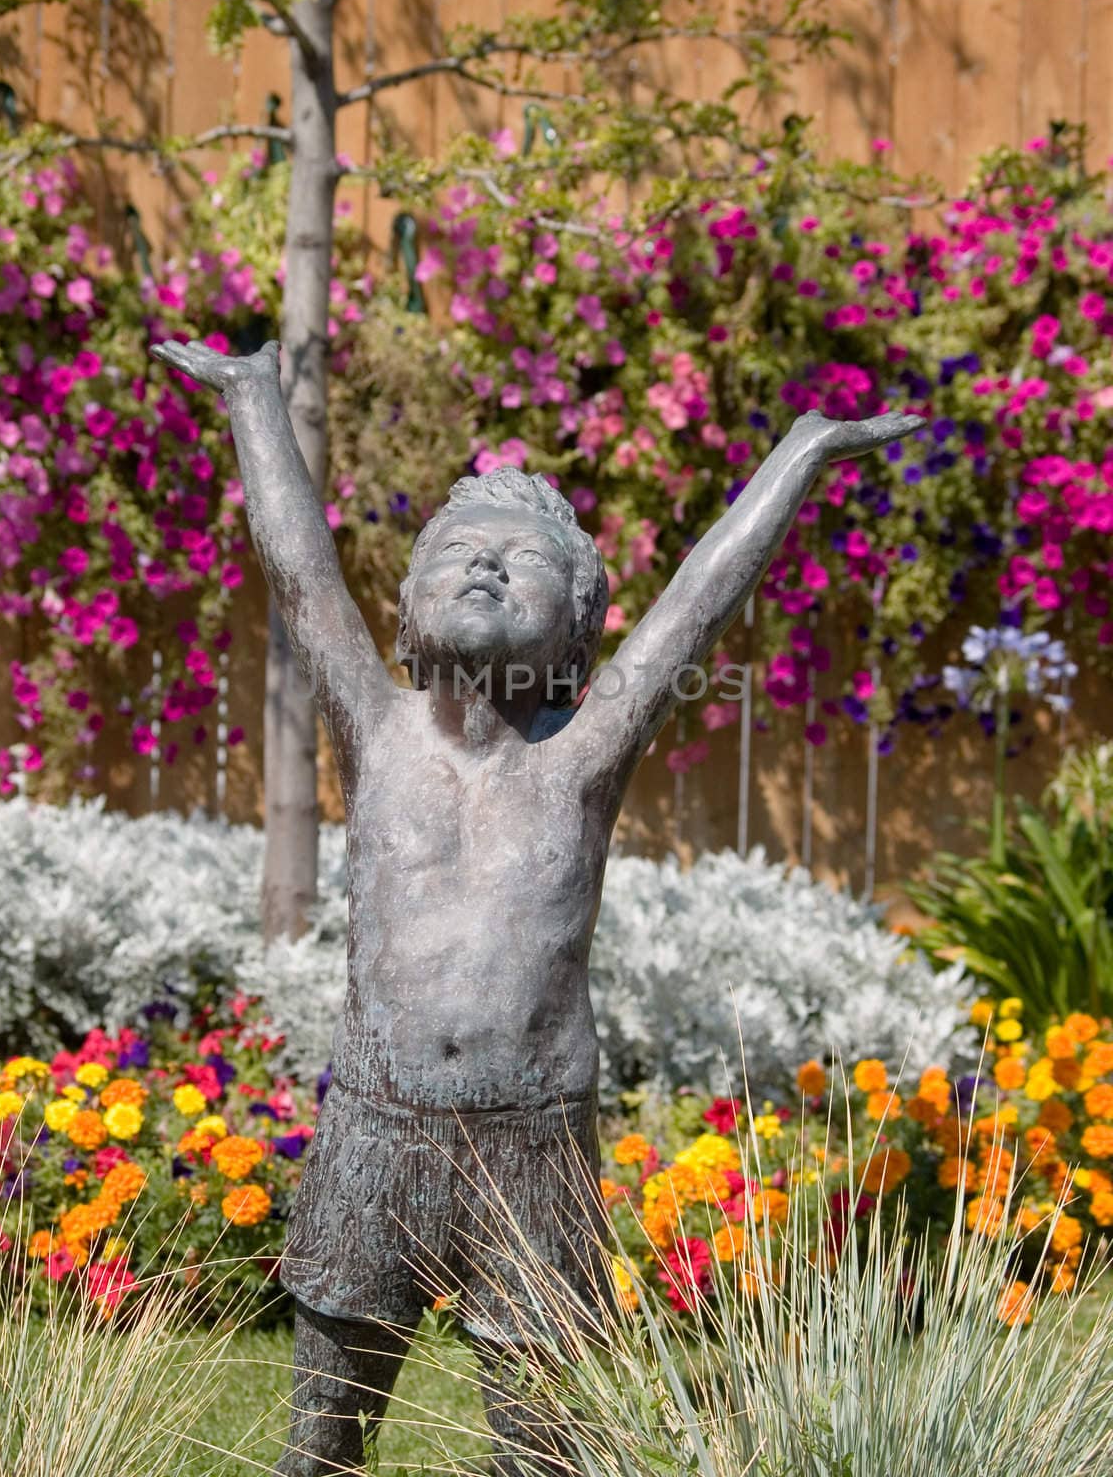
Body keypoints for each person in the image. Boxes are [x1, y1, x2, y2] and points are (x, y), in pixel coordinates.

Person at [151, 336, 922, 1475]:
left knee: (540, 1451)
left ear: (576, 635)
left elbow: (697, 601)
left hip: (533, 1142)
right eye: (459, 551)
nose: (486, 567)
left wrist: (801, 456)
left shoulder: (581, 755)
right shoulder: (378, 725)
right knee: (320, 1449)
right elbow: (301, 568)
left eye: (523, 561)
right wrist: (256, 398)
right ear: (408, 613)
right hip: (377, 1120)